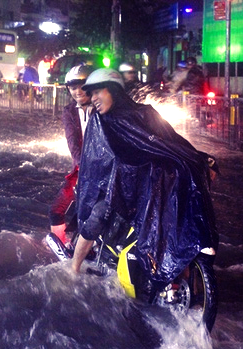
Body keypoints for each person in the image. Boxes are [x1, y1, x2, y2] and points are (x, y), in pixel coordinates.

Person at [70, 68, 218, 291]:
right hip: (112, 184)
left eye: (98, 92)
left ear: (113, 91)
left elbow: (171, 141)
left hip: (142, 181)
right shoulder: (99, 121)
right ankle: (73, 269)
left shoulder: (145, 114)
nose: (94, 99)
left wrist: (200, 159)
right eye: (91, 95)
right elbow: (96, 160)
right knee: (98, 216)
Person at [48, 64, 94, 244]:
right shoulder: (69, 111)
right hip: (81, 169)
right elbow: (72, 141)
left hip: (105, 171)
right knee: (56, 210)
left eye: (81, 87)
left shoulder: (103, 108)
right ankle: (62, 244)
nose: (77, 92)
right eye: (73, 88)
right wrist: (82, 167)